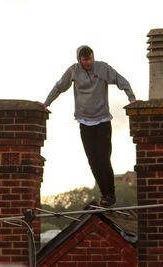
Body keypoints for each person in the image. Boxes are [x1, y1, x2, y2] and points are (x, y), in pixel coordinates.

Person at [38, 45, 137, 207]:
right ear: (80, 59)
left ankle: (111, 194)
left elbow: (122, 81)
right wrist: (46, 103)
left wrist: (132, 99)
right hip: (85, 122)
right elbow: (59, 87)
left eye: (91, 58)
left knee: (104, 158)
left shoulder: (103, 68)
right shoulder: (73, 71)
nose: (89, 62)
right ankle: (105, 195)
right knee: (93, 161)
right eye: (85, 60)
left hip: (103, 120)